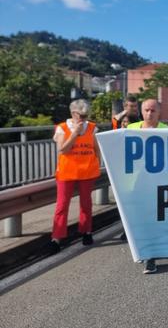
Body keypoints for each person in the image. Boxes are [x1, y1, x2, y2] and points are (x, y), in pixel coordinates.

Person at [49, 99, 101, 254]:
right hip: (67, 172)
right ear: (73, 114)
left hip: (87, 171)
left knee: (86, 203)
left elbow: (97, 149)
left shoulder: (92, 128)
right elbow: (63, 150)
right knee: (62, 205)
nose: (85, 119)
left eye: (86, 115)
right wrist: (75, 134)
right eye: (82, 115)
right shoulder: (62, 128)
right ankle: (56, 238)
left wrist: (97, 164)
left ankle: (87, 232)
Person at [127, 99, 168, 273]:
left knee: (155, 219)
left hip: (158, 184)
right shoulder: (130, 129)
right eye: (146, 110)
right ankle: (146, 252)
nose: (149, 114)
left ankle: (151, 255)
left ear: (159, 112)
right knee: (140, 219)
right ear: (141, 112)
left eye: (153, 111)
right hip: (136, 184)